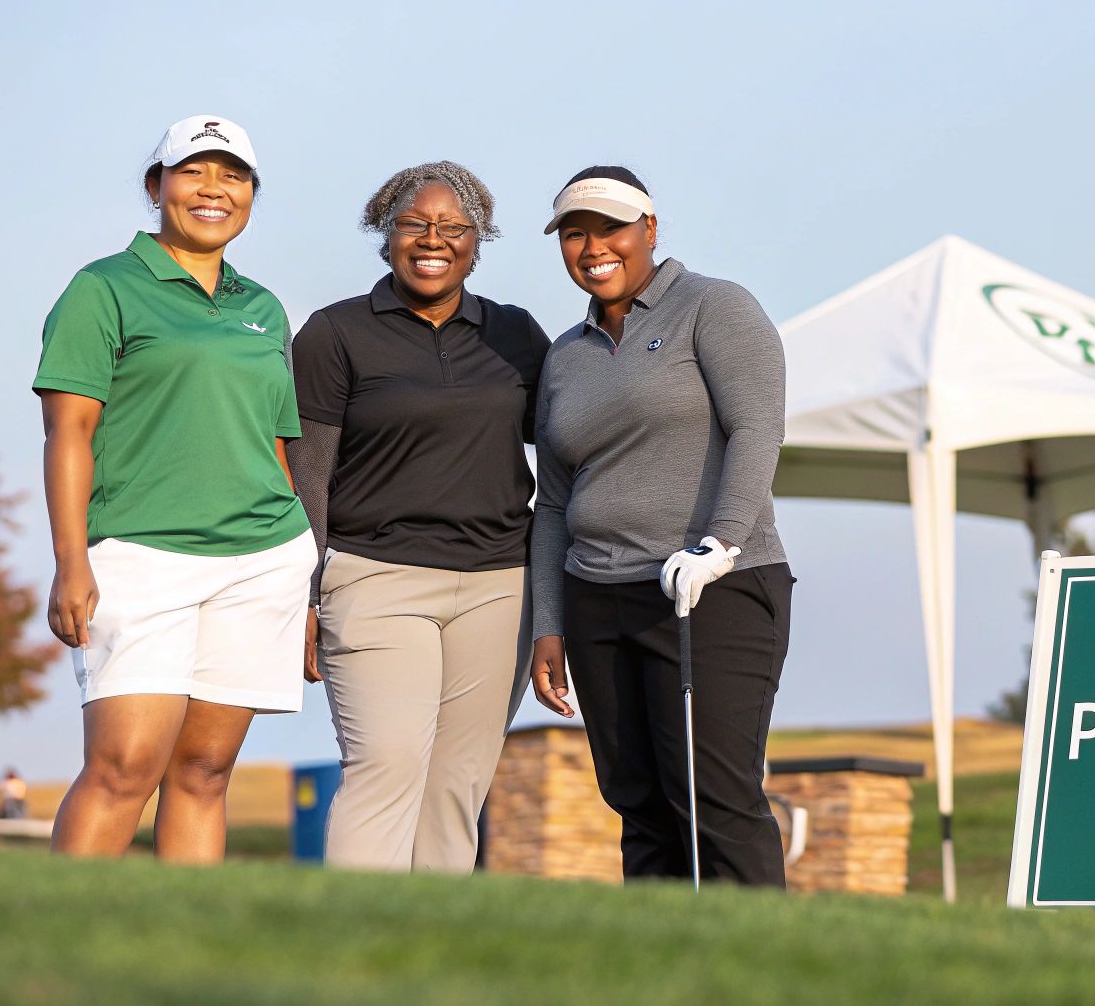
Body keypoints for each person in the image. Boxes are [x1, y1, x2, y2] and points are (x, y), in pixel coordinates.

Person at [35, 115, 313, 862]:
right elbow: (69, 433)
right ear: (157, 186)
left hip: (263, 559)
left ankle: (179, 962)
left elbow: (276, 446)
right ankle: (59, 945)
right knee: (125, 765)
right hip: (139, 554)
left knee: (204, 770)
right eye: (193, 171)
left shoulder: (264, 307)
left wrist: (307, 579)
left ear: (252, 194)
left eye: (233, 175)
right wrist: (71, 561)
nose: (213, 189)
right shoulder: (103, 288)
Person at [529, 166, 794, 886]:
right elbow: (552, 502)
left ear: (649, 228)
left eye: (609, 229)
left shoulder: (713, 307)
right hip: (597, 597)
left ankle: (765, 972)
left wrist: (721, 543)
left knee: (713, 797)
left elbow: (756, 428)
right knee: (637, 803)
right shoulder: (564, 355)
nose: (592, 248)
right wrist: (546, 623)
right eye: (574, 235)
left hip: (714, 589)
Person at [288, 162, 550, 872]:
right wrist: (303, 595)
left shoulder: (516, 335)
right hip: (374, 579)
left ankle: (433, 954)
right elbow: (306, 474)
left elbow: (565, 457)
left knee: (458, 784)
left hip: (501, 587)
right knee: (388, 762)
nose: (433, 239)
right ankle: (356, 954)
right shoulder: (334, 334)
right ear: (387, 232)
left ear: (478, 240)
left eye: (453, 228)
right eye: (415, 224)